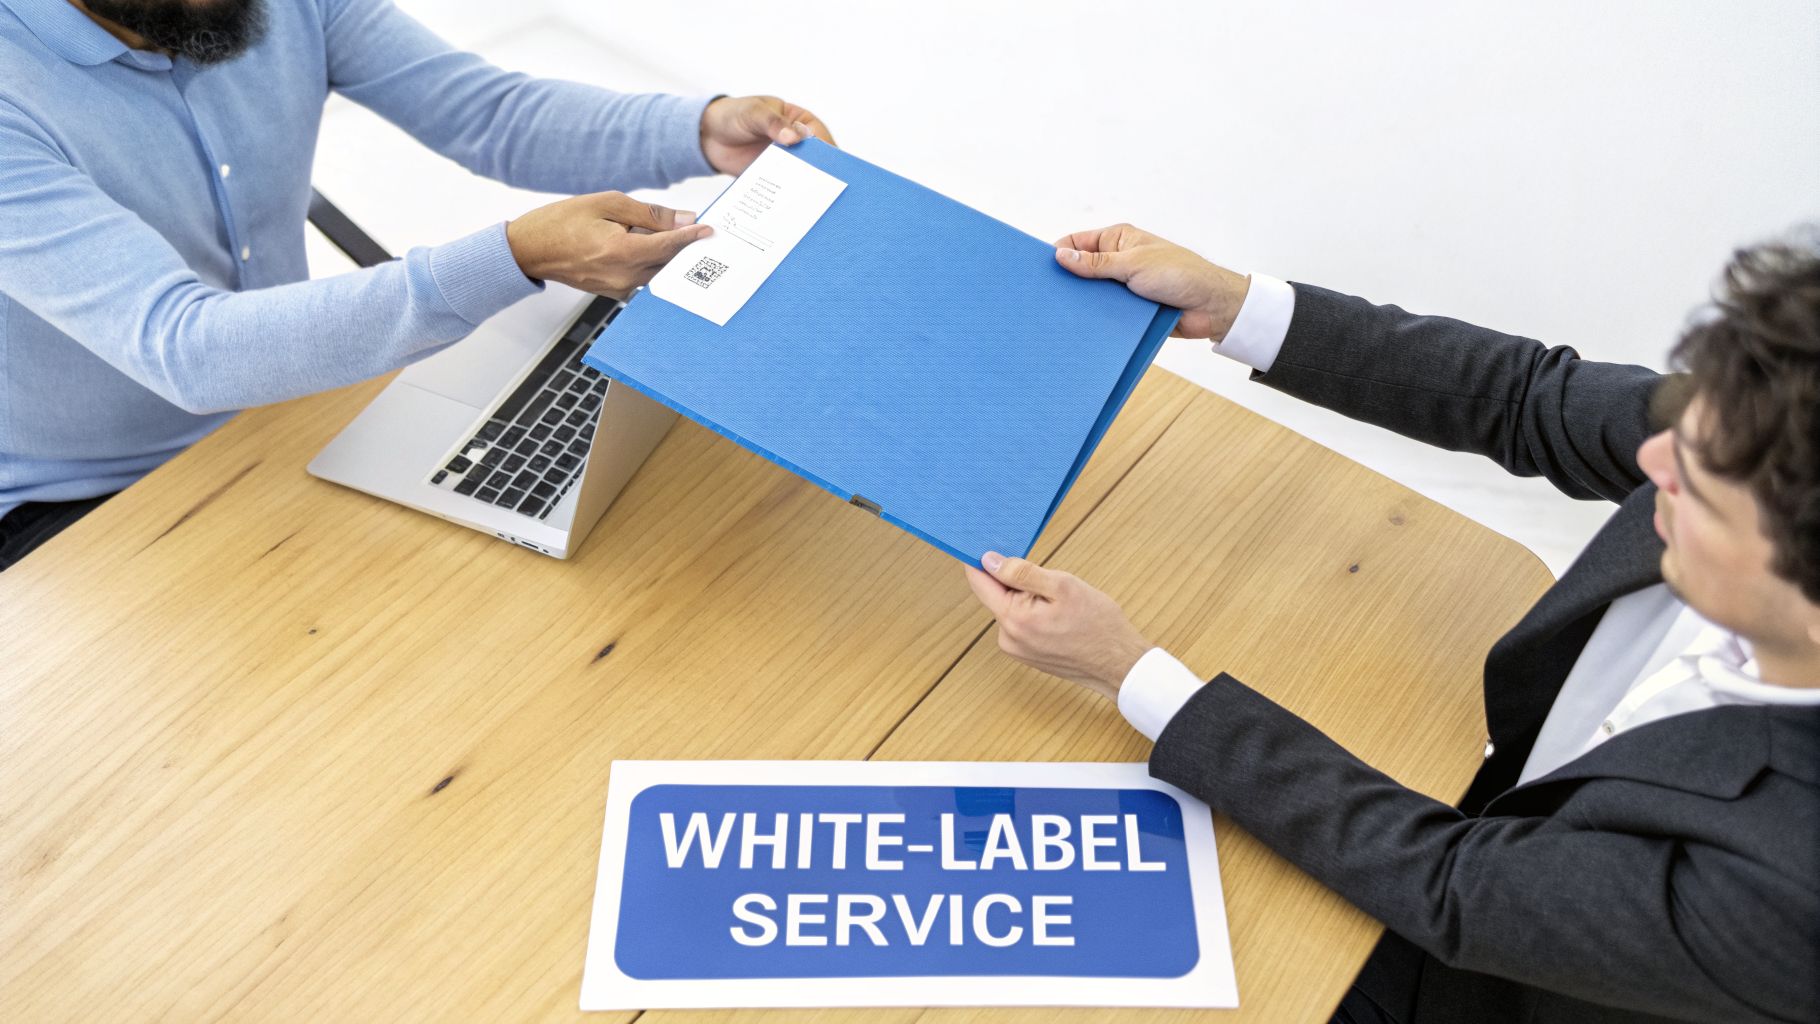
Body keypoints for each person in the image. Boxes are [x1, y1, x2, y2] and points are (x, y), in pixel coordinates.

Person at [964, 223, 1820, 1023]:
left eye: (1698, 488)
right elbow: (1526, 395)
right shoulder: (1762, 430)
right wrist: (1235, 302)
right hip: (1479, 805)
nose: (1653, 460)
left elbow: (1452, 888)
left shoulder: (1793, 888)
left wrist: (1130, 671)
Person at [0, 0, 833, 569]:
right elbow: (185, 348)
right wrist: (512, 258)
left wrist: (696, 130)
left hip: (292, 402)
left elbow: (487, 113)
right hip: (84, 500)